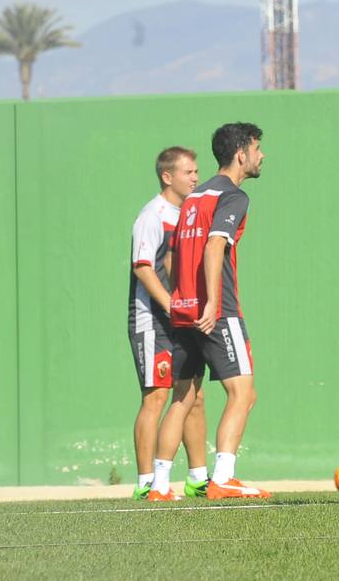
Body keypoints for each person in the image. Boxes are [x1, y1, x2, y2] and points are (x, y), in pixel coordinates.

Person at [148, 123, 269, 501]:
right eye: (257, 148)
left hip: (183, 311)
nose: (261, 155)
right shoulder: (232, 197)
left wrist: (183, 298)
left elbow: (170, 257)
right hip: (216, 312)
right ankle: (223, 478)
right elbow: (215, 246)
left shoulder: (194, 196)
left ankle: (158, 485)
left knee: (182, 398)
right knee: (243, 393)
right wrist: (214, 303)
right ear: (240, 154)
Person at [128, 146, 209, 499]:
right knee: (156, 397)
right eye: (188, 172)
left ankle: (197, 478)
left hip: (182, 322)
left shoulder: (187, 213)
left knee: (195, 395)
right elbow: (143, 267)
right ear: (167, 177)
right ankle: (146, 484)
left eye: (196, 171)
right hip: (152, 322)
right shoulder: (152, 215)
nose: (195, 177)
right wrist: (172, 305)